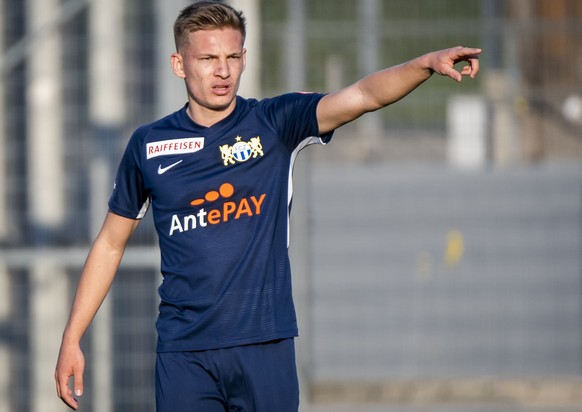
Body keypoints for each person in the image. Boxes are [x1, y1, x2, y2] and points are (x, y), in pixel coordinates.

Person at [55, 1, 481, 411]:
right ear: (179, 64)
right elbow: (111, 244)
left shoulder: (275, 122)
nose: (222, 71)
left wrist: (425, 63)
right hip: (185, 353)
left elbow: (364, 96)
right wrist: (73, 337)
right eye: (207, 59)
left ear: (244, 58)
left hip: (265, 346)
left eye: (232, 57)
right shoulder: (148, 145)